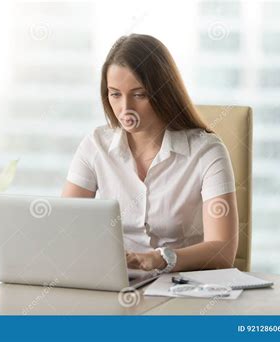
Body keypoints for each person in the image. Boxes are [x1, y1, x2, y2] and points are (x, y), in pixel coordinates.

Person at [62, 34, 238, 274]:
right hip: (117, 284)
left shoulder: (207, 152)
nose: (125, 109)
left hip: (185, 289)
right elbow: (64, 229)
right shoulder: (95, 145)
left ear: (163, 92)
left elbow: (223, 251)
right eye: (115, 94)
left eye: (139, 94)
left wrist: (159, 259)